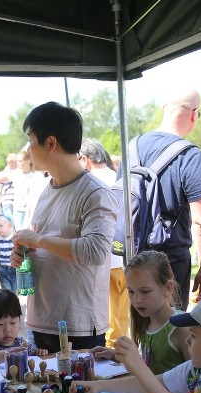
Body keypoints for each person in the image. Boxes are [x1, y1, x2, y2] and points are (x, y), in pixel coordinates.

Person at [10, 102, 117, 352]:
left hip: (78, 327)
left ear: (50, 143)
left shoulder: (95, 193)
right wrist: (22, 253)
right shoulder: (40, 189)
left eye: (30, 139)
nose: (27, 149)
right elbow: (35, 244)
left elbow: (96, 252)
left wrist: (38, 240)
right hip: (39, 322)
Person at [123, 89, 201, 309]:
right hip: (171, 264)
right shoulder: (189, 155)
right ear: (194, 114)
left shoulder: (131, 147)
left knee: (141, 330)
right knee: (171, 333)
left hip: (134, 258)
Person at [91, 250, 190, 374]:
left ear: (168, 288)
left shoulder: (181, 328)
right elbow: (148, 366)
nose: (136, 300)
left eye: (145, 291)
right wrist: (116, 355)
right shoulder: (146, 322)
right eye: (131, 292)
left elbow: (197, 381)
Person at [80, 137, 128, 347]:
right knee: (123, 313)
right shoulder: (119, 178)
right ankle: (121, 349)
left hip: (102, 261)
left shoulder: (87, 182)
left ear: (85, 158)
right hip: (127, 256)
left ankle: (111, 352)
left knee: (106, 314)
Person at [0, 289, 49, 365]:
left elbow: (32, 354)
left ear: (19, 320)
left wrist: (38, 352)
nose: (7, 330)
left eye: (13, 323)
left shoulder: (22, 344)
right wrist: (10, 354)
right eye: (0, 324)